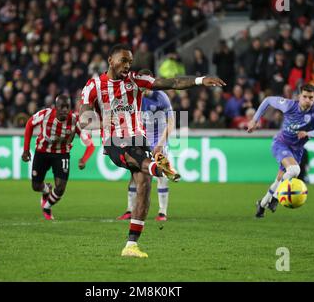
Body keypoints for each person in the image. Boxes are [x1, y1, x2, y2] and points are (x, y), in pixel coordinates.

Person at [79, 44, 226, 258]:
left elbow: (172, 82)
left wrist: (199, 80)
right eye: (123, 60)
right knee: (136, 158)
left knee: (144, 184)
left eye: (130, 61)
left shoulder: (136, 80)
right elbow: (84, 119)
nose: (127, 65)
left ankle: (131, 245)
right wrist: (102, 121)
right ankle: (158, 167)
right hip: (114, 140)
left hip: (138, 138)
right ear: (110, 60)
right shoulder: (93, 86)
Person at [247, 84, 314, 218]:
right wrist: (255, 120)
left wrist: (307, 133)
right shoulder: (289, 105)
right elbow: (267, 100)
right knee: (295, 170)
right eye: (305, 97)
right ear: (299, 96)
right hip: (281, 143)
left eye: (311, 98)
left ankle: (261, 205)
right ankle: (276, 198)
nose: (308, 100)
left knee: (279, 180)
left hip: (296, 150)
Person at [22, 94, 95, 220]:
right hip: (42, 152)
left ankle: (47, 206)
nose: (65, 110)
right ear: (56, 107)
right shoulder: (45, 114)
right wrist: (26, 149)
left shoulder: (75, 120)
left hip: (61, 154)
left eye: (68, 107)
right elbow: (29, 124)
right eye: (62, 107)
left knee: (60, 187)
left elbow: (90, 144)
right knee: (35, 186)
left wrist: (84, 159)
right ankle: (46, 189)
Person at [117, 69, 174, 222]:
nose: (142, 88)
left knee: (162, 175)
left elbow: (171, 123)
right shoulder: (134, 97)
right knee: (134, 173)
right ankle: (130, 210)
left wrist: (161, 144)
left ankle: (162, 212)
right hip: (140, 139)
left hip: (158, 139)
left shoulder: (162, 97)